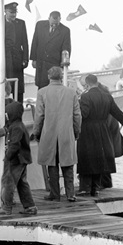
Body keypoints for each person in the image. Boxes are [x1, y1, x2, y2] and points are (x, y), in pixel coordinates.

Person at [32, 66, 81, 202]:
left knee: (52, 164)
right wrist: (76, 132)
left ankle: (55, 193)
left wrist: (36, 132)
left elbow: (39, 115)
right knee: (68, 164)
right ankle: (70, 194)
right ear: (61, 77)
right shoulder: (71, 93)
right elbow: (77, 115)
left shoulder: (42, 92)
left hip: (49, 133)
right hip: (67, 133)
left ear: (49, 77)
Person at [77, 74, 123, 196]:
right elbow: (117, 113)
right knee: (99, 158)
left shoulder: (85, 97)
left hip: (88, 130)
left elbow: (83, 114)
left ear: (87, 84)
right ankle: (96, 187)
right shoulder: (107, 97)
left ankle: (85, 188)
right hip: (103, 129)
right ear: (96, 82)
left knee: (86, 157)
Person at [0, 99, 38, 216]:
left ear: (10, 114)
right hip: (22, 159)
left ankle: (6, 208)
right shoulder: (19, 125)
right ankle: (30, 206)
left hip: (15, 160)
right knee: (22, 183)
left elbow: (15, 144)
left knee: (8, 183)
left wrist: (7, 156)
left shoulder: (16, 127)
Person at [30, 11, 71, 89]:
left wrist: (63, 64)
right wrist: (33, 59)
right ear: (49, 18)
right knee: (41, 87)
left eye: (56, 24)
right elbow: (35, 41)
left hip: (54, 64)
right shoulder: (40, 25)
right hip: (41, 63)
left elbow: (66, 48)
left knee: (54, 87)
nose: (54, 25)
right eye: (52, 24)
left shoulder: (65, 31)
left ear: (60, 19)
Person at [4, 2, 29, 103]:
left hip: (18, 59)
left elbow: (25, 42)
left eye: (15, 12)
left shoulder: (21, 23)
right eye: (11, 12)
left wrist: (25, 59)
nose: (13, 15)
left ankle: (18, 107)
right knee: (6, 85)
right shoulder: (0, 23)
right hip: (5, 59)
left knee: (18, 87)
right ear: (5, 11)